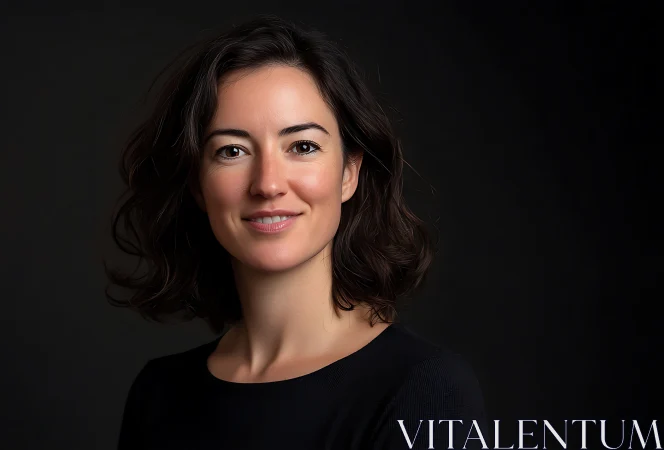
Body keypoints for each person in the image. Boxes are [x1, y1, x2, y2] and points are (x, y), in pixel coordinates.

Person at [106, 14, 487, 450]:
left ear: (348, 172)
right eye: (232, 151)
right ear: (197, 186)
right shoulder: (158, 394)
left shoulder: (424, 389)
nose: (268, 183)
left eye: (302, 147)